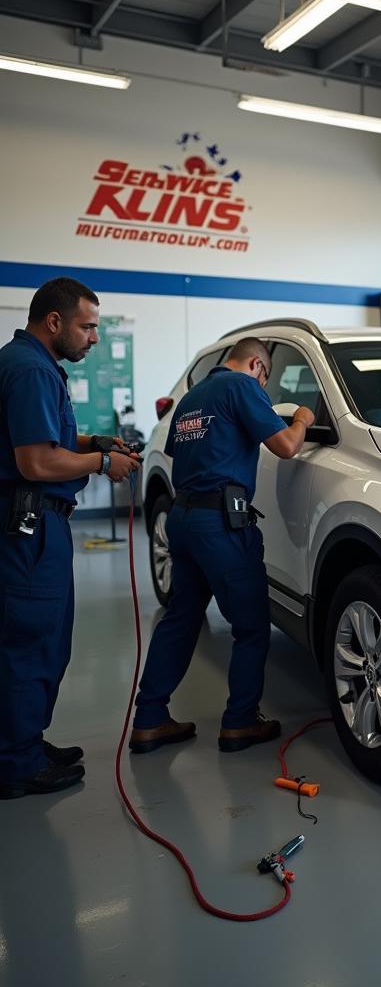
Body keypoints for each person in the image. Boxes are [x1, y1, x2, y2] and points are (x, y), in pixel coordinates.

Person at [130, 338, 314, 754]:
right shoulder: (242, 387)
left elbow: (186, 454)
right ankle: (240, 723)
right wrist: (300, 418)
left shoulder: (190, 399)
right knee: (250, 627)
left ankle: (149, 718)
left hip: (183, 519)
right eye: (264, 379)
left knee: (181, 618)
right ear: (255, 365)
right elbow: (285, 447)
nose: (262, 388)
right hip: (221, 525)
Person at [0, 277, 141, 799]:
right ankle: (14, 763)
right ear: (54, 321)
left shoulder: (30, 364)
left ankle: (24, 743)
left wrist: (95, 441)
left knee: (46, 640)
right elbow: (36, 460)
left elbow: (52, 439)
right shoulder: (31, 369)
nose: (94, 338)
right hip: (26, 528)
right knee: (29, 642)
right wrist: (104, 461)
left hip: (36, 527)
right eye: (88, 326)